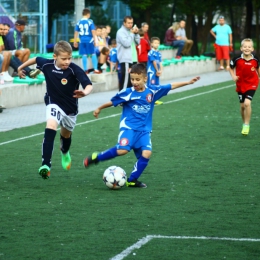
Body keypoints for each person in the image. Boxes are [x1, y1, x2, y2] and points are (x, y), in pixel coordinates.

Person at [83, 63, 200, 188]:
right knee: (123, 150)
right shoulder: (128, 93)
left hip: (144, 131)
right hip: (129, 128)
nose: (134, 82)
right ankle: (97, 158)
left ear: (145, 79)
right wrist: (99, 108)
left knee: (147, 153)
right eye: (132, 79)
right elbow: (112, 102)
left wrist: (188, 82)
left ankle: (132, 180)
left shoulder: (152, 92)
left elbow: (170, 86)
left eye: (137, 79)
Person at [17, 40, 93, 179]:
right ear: (55, 56)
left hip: (70, 108)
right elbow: (35, 59)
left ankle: (64, 152)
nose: (67, 61)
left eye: (69, 58)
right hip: (54, 103)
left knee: (66, 136)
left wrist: (85, 92)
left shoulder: (74, 69)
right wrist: (20, 67)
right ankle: (46, 164)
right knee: (51, 125)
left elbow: (88, 84)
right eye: (63, 59)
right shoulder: (47, 64)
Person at [229, 38, 260, 136]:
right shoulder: (237, 58)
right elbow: (230, 67)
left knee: (247, 103)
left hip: (252, 83)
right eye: (245, 46)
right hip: (241, 84)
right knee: (242, 106)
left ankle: (247, 124)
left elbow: (258, 69)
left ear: (252, 49)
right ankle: (244, 123)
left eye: (249, 47)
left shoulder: (255, 59)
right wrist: (233, 76)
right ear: (241, 48)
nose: (247, 48)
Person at [116, 16, 140, 90]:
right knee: (125, 81)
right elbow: (126, 43)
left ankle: (130, 99)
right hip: (126, 59)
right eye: (128, 23)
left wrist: (136, 33)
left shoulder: (131, 31)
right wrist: (132, 33)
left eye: (132, 23)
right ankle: (122, 99)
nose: (130, 25)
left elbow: (138, 42)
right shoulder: (120, 32)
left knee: (133, 81)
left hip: (133, 59)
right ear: (124, 23)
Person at [74, 8, 99, 74]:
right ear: (88, 14)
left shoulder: (79, 22)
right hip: (89, 40)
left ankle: (85, 70)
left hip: (81, 40)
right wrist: (95, 40)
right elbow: (93, 31)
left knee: (84, 54)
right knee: (93, 53)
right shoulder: (90, 21)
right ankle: (95, 69)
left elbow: (76, 32)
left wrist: (75, 41)